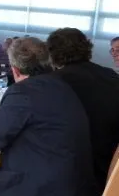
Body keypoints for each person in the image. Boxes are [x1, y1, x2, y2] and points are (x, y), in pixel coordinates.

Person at [0, 37, 99, 195]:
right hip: (74, 181)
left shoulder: (22, 92)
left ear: (15, 70)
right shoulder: (62, 85)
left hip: (42, 185)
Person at [46, 28, 119, 191]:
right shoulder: (111, 76)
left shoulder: (52, 83)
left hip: (65, 173)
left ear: (52, 53)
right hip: (106, 168)